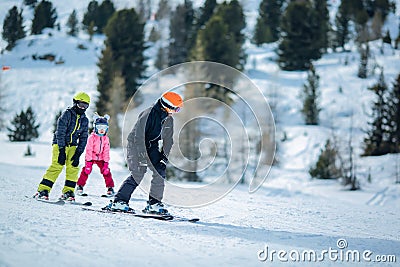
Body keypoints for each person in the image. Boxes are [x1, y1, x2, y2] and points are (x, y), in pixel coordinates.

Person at [108, 92, 183, 214]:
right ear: (167, 105)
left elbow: (168, 141)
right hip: (136, 145)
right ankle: (119, 202)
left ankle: (154, 204)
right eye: (176, 109)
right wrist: (142, 157)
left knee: (160, 170)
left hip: (151, 146)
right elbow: (138, 137)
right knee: (138, 172)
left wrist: (164, 157)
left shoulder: (169, 120)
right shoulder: (148, 114)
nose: (176, 112)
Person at [34, 92, 90, 201]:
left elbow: (84, 138)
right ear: (75, 103)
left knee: (73, 167)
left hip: (73, 145)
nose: (82, 108)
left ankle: (68, 191)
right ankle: (43, 190)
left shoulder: (85, 120)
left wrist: (78, 153)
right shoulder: (67, 114)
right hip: (60, 143)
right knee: (57, 165)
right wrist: (61, 149)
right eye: (80, 105)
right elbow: (60, 132)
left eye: (85, 106)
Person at [76, 114, 115, 196]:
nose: (101, 130)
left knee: (106, 172)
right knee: (86, 171)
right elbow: (89, 150)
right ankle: (80, 186)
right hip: (92, 157)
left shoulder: (106, 139)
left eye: (104, 128)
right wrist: (88, 162)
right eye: (99, 127)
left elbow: (106, 151)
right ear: (95, 127)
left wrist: (106, 163)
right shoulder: (92, 138)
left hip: (101, 158)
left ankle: (110, 188)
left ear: (106, 128)